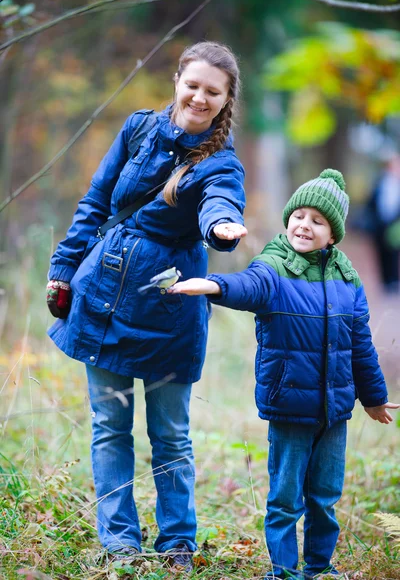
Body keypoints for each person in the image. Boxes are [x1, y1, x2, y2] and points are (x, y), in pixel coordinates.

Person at [46, 41, 247, 570]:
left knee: (171, 435)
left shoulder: (220, 162)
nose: (200, 98)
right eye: (194, 85)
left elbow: (221, 201)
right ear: (178, 79)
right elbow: (95, 202)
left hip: (168, 308)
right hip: (102, 297)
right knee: (109, 426)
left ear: (226, 100)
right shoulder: (138, 129)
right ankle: (120, 544)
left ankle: (178, 544)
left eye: (213, 92)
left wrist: (222, 229)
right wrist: (63, 270)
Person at [169, 168, 399, 579]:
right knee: (286, 497)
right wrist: (213, 286)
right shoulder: (276, 266)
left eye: (318, 221)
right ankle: (283, 571)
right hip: (290, 407)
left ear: (333, 234)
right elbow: (250, 286)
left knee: (325, 496)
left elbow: (360, 345)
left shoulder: (347, 279)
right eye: (299, 215)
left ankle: (319, 567)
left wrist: (374, 397)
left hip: (335, 411)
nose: (304, 226)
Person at [366, 153, 400, 293]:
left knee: (394, 253)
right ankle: (385, 281)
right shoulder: (380, 181)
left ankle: (394, 280)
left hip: (395, 224)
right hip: (380, 224)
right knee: (381, 253)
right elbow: (371, 201)